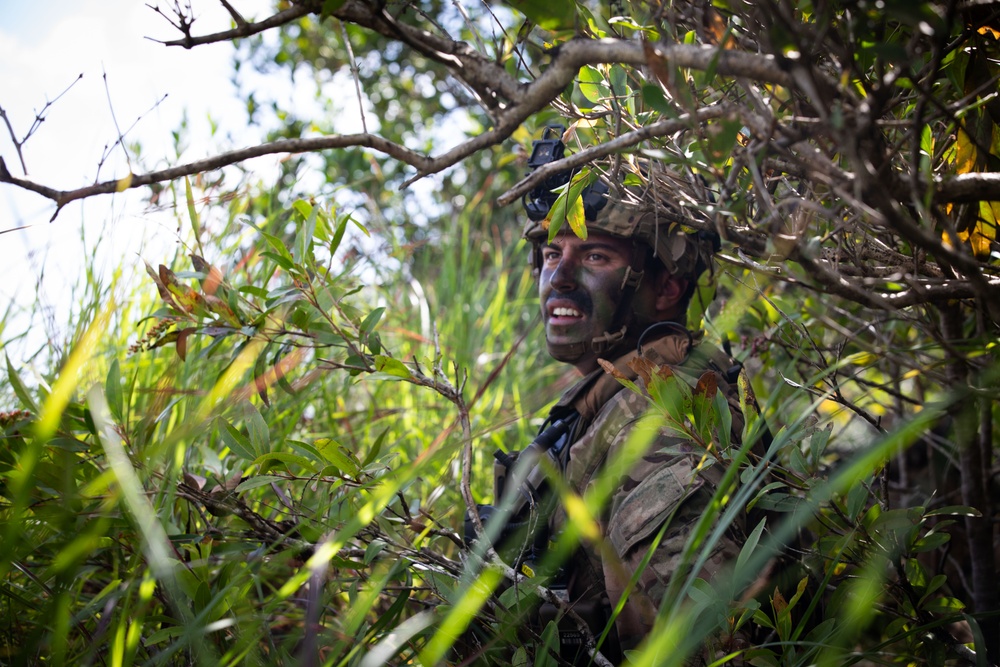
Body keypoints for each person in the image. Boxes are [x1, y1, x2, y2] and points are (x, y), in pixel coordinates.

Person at [488, 174, 752, 664]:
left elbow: (718, 644)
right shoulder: (608, 405)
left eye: (594, 257)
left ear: (667, 286)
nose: (560, 277)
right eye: (551, 253)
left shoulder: (660, 422)